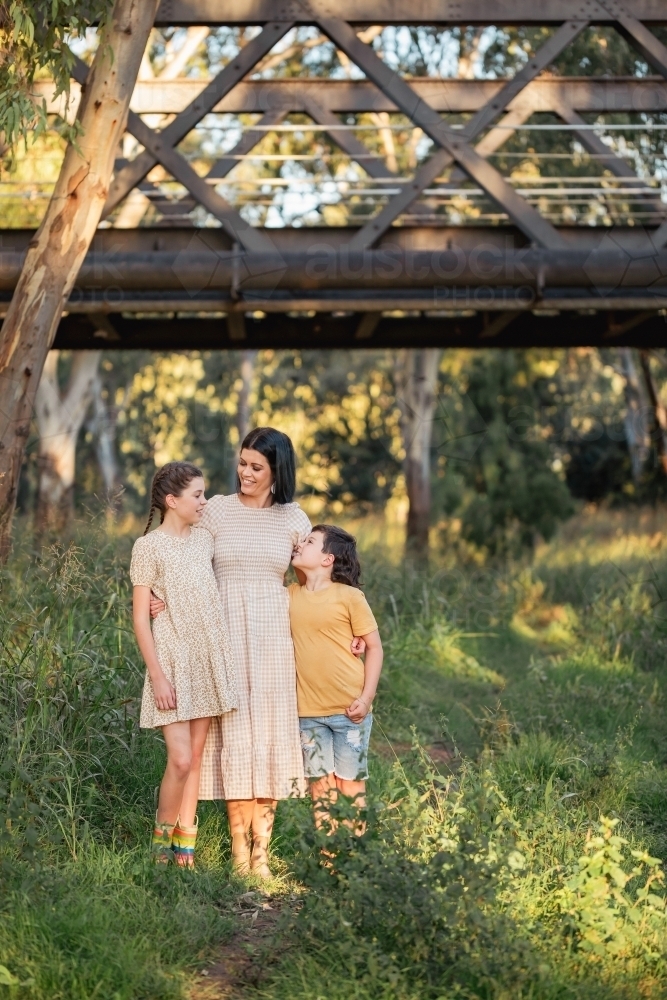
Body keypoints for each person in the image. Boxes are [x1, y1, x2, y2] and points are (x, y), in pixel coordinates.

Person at [131, 462, 236, 868]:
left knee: (194, 757)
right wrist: (157, 675)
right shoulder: (148, 547)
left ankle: (185, 846)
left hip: (208, 656)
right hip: (171, 660)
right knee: (179, 759)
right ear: (172, 501)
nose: (204, 501)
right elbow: (141, 616)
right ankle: (160, 840)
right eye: (197, 494)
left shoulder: (205, 537)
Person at [289, 525, 383, 837]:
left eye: (310, 541)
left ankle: (353, 857)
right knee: (321, 787)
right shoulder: (290, 594)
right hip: (309, 713)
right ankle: (329, 856)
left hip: (350, 711)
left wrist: (367, 698)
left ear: (327, 559)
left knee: (351, 786)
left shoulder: (350, 597)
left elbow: (375, 647)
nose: (301, 544)